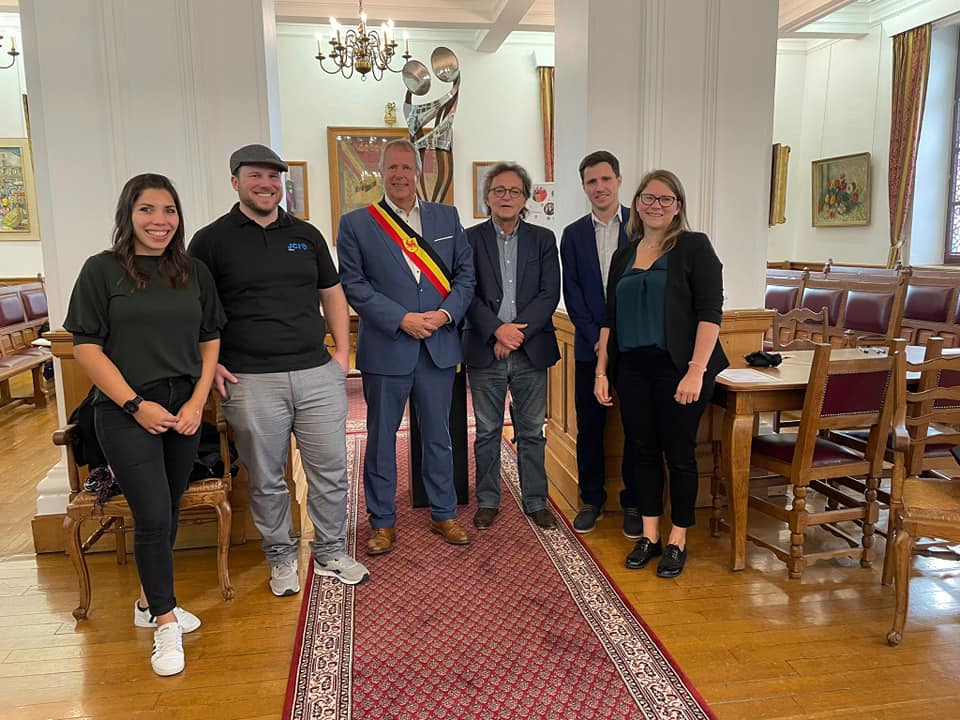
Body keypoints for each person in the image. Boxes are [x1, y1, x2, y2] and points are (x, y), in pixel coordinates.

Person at [64, 173, 226, 677]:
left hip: (183, 407)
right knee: (152, 514)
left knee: (169, 506)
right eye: (147, 210)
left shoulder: (193, 272)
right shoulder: (101, 270)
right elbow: (85, 346)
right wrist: (136, 405)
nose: (160, 220)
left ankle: (146, 602)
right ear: (128, 215)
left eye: (169, 210)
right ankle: (165, 621)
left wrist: (198, 402)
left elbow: (210, 338)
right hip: (124, 410)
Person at [189, 144, 369, 597]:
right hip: (249, 380)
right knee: (267, 478)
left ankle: (330, 551)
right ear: (235, 181)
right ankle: (281, 556)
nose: (266, 184)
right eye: (256, 176)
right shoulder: (210, 241)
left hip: (316, 374)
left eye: (274, 177)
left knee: (331, 472)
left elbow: (331, 292)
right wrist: (210, 365)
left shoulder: (306, 235)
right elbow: (194, 309)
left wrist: (342, 354)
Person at [337, 138, 475, 555]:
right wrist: (401, 319)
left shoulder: (446, 217)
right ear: (381, 173)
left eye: (406, 167)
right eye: (392, 168)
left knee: (439, 436)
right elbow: (354, 285)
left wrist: (444, 315)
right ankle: (382, 522)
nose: (399, 175)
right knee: (381, 440)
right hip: (387, 347)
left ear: (419, 172)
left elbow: (465, 276)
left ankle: (444, 512)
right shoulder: (357, 223)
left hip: (437, 345)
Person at [594, 169, 728, 579]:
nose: (656, 205)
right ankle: (650, 536)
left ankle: (677, 539)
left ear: (678, 207)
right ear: (636, 203)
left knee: (680, 454)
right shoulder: (623, 255)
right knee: (642, 451)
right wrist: (602, 371)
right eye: (648, 198)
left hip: (680, 370)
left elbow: (710, 313)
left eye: (665, 199)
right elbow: (609, 319)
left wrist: (696, 371)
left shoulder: (694, 247)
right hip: (632, 369)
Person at [462, 162, 561, 530]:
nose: (506, 197)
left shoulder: (543, 239)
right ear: (487, 197)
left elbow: (549, 293)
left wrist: (515, 334)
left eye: (514, 191)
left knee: (532, 431)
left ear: (525, 199)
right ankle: (488, 500)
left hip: (531, 351)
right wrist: (497, 332)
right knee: (487, 430)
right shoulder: (468, 239)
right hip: (485, 349)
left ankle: (536, 500)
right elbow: (466, 293)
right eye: (499, 191)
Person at [559, 151, 641, 537]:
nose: (600, 187)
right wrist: (597, 341)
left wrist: (621, 340)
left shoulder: (641, 227)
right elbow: (573, 294)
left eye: (606, 179)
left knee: (635, 428)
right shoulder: (573, 235)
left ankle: (634, 502)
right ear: (584, 187)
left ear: (619, 181)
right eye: (592, 181)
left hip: (635, 348)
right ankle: (592, 500)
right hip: (589, 349)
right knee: (590, 427)